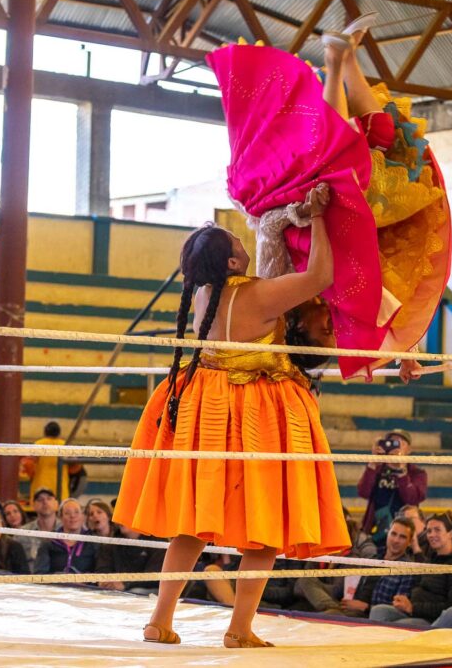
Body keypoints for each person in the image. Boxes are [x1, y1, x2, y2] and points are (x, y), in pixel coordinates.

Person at [113, 210, 350, 648]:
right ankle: (239, 629)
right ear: (232, 263)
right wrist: (319, 216)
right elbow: (320, 274)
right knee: (264, 526)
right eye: (236, 243)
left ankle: (158, 620)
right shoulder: (258, 296)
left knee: (192, 526)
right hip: (253, 412)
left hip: (206, 407)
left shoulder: (203, 296)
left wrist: (274, 226)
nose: (243, 243)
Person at [209, 26, 452, 380]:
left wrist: (308, 213)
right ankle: (349, 57)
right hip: (344, 208)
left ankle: (334, 63)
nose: (330, 326)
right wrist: (407, 355)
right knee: (386, 139)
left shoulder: (277, 287)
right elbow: (386, 305)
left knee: (339, 165)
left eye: (321, 331)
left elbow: (268, 226)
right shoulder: (338, 305)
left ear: (296, 326)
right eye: (331, 333)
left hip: (286, 193)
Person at [368, 512, 452, 628]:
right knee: (379, 610)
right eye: (429, 531)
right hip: (415, 612)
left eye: (437, 530)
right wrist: (405, 601)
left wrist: (413, 607)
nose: (432, 535)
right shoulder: (430, 560)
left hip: (435, 619)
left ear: (450, 533)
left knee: (401, 626)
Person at [357, 429, 427, 544]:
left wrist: (401, 471)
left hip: (404, 534)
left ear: (409, 449)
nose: (395, 446)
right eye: (391, 442)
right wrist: (373, 463)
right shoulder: (378, 468)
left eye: (400, 443)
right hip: (375, 531)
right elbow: (363, 492)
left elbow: (412, 499)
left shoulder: (417, 473)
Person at [343, 517, 418, 618]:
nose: (396, 540)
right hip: (351, 605)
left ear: (409, 542)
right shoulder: (375, 557)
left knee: (331, 615)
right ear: (388, 534)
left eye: (402, 537)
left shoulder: (407, 569)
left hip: (371, 615)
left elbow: (398, 607)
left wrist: (365, 607)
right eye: (393, 534)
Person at [96, 522, 166, 595]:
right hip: (117, 590)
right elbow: (103, 567)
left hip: (145, 591)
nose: (121, 520)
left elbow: (154, 575)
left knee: (135, 591)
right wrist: (105, 580)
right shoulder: (114, 542)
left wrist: (125, 584)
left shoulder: (157, 542)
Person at [33, 498, 96, 575]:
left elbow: (100, 574)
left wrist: (85, 580)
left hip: (85, 586)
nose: (72, 516)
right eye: (67, 513)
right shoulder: (49, 543)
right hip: (56, 586)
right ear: (61, 517)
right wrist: (57, 578)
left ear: (83, 516)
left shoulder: (93, 542)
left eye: (76, 512)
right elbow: (39, 574)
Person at [20, 421, 78, 502]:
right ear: (59, 433)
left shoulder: (38, 444)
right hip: (60, 488)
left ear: (45, 432)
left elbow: (27, 464)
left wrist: (31, 475)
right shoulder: (65, 445)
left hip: (40, 487)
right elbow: (75, 467)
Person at [15, 488, 58, 561]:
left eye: (49, 498)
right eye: (40, 499)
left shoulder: (67, 530)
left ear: (57, 503)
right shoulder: (22, 534)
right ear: (33, 505)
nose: (45, 502)